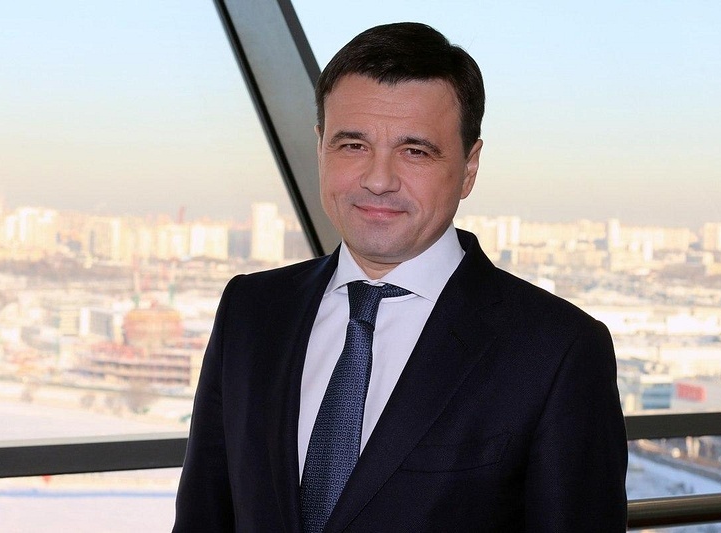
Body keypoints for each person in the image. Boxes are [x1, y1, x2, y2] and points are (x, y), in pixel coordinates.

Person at [173, 22, 627, 532]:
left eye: (415, 151)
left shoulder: (557, 351)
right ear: (320, 148)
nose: (378, 179)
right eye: (353, 145)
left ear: (469, 167)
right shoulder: (251, 312)